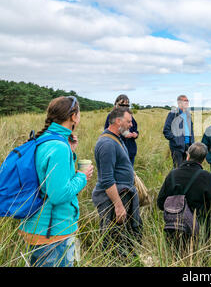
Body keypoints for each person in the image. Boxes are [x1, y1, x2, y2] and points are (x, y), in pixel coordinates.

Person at [18, 96, 94, 267]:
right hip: (53, 233)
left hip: (36, 227)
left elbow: (47, 181)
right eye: (79, 113)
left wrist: (71, 151)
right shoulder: (59, 147)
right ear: (73, 116)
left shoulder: (44, 140)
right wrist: (82, 176)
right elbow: (58, 195)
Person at [92, 107, 142, 258]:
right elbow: (107, 180)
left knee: (125, 238)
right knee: (114, 240)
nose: (131, 125)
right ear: (118, 121)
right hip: (114, 200)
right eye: (128, 121)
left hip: (123, 195)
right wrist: (119, 206)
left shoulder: (117, 139)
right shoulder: (107, 143)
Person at [157, 142, 211, 250]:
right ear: (204, 160)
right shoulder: (206, 177)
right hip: (198, 231)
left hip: (173, 229)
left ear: (188, 156)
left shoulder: (173, 174)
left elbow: (160, 203)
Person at [104, 95, 139, 165]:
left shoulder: (130, 116)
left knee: (129, 173)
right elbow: (107, 134)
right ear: (116, 104)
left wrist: (135, 134)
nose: (124, 107)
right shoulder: (111, 116)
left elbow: (135, 129)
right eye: (122, 105)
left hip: (130, 151)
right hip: (117, 152)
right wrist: (123, 135)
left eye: (127, 105)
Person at [163, 95, 195, 169]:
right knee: (178, 169)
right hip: (177, 147)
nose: (187, 102)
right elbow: (166, 130)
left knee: (187, 169)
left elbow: (191, 130)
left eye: (187, 100)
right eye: (185, 101)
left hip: (188, 147)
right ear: (179, 103)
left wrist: (192, 143)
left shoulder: (188, 114)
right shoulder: (173, 114)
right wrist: (176, 140)